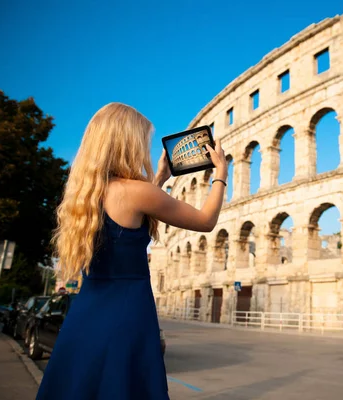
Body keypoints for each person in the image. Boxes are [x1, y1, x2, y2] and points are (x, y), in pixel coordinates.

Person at [36, 103, 228, 399]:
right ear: (128, 142)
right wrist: (220, 175)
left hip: (85, 314)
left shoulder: (84, 195)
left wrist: (160, 180)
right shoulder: (138, 192)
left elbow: (129, 210)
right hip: (127, 314)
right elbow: (205, 221)